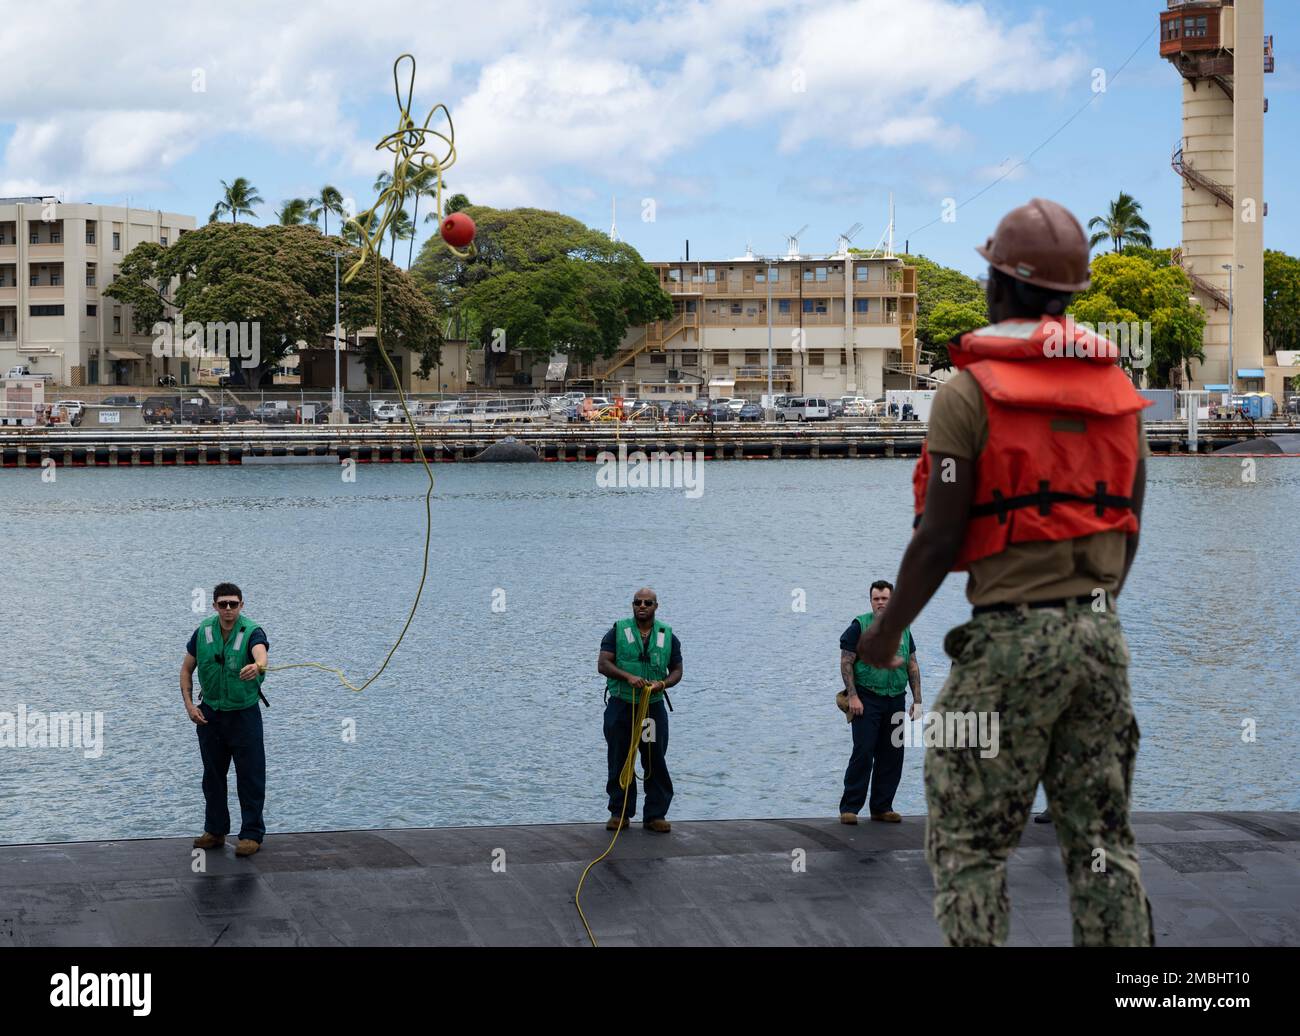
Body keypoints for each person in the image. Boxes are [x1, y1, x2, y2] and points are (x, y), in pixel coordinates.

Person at [857, 198, 1153, 947]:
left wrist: (887, 635)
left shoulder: (969, 392)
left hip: (1008, 644)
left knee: (969, 844)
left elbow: (938, 536)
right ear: (1071, 293)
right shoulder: (1120, 396)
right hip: (1100, 640)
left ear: (999, 284)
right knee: (1103, 848)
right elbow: (1130, 520)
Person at [181, 583, 270, 858]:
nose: (228, 609)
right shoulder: (203, 632)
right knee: (213, 776)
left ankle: (251, 834)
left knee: (250, 775)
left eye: (233, 604)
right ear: (215, 606)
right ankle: (215, 830)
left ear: (242, 605)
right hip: (210, 715)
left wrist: (258, 666)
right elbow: (186, 669)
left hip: (244, 715)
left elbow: (261, 653)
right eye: (223, 604)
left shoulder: (252, 631)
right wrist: (189, 706)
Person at [597, 588, 682, 833]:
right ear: (632, 605)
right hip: (622, 706)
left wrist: (663, 683)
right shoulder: (617, 632)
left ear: (656, 606)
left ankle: (655, 815)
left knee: (654, 757)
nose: (642, 606)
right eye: (637, 602)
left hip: (652, 709)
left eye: (647, 602)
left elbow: (677, 669)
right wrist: (628, 677)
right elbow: (603, 664)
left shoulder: (667, 636)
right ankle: (620, 812)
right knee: (620, 758)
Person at [837, 580, 921, 824]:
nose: (881, 602)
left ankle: (882, 807)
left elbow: (912, 664)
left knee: (893, 754)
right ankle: (850, 808)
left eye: (885, 598)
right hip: (866, 699)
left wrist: (917, 700)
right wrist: (853, 695)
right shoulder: (859, 626)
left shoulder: (904, 629)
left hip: (895, 698)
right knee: (863, 751)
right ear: (871, 601)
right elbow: (846, 662)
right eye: (876, 598)